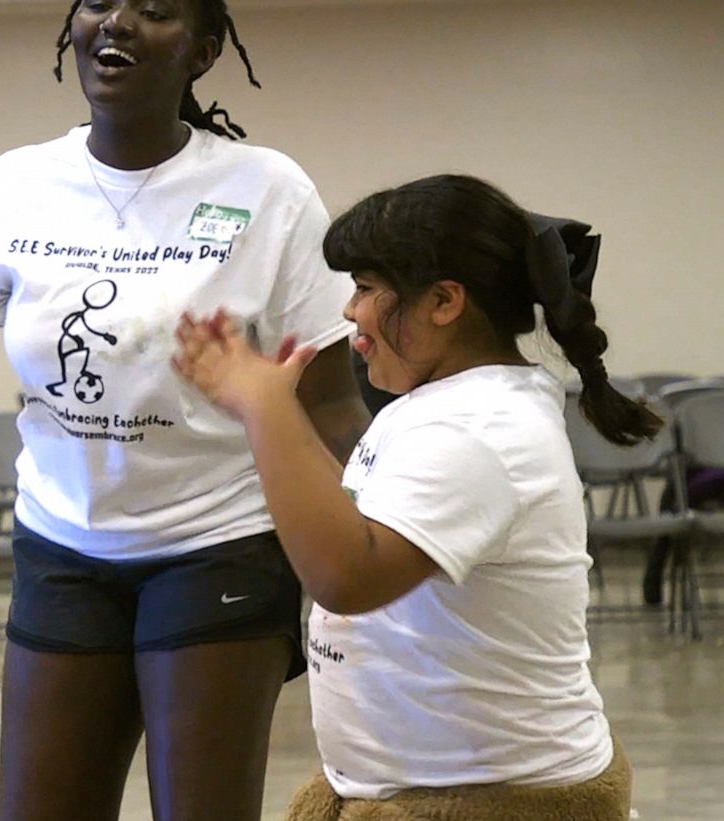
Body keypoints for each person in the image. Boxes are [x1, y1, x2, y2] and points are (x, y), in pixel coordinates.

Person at [0, 0, 368, 821]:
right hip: (62, 548)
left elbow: (332, 400)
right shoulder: (15, 186)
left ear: (203, 49)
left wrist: (403, 526)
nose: (117, 21)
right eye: (100, 2)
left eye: (153, 8)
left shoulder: (268, 191)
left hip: (218, 542)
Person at [172, 174, 645, 820]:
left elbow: (347, 572)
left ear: (444, 301)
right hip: (424, 788)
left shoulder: (481, 430)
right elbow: (356, 512)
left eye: (366, 288)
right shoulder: (433, 404)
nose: (349, 310)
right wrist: (271, 406)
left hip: (498, 801)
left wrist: (263, 407)